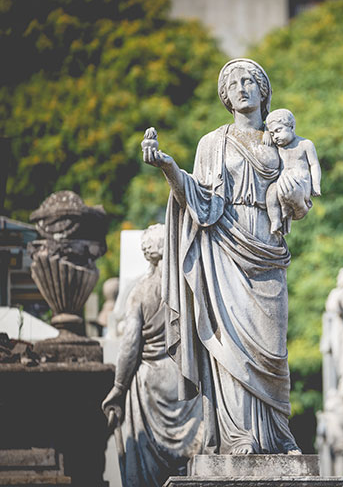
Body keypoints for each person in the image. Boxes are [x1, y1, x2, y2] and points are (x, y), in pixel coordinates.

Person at [142, 58, 301, 454]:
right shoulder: (213, 143)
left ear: (264, 92)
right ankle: (239, 435)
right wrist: (168, 168)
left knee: (273, 349)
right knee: (231, 345)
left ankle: (279, 434)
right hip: (226, 252)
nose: (242, 88)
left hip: (268, 251)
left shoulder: (280, 140)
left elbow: (301, 192)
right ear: (225, 96)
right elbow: (201, 200)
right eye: (234, 83)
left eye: (250, 81)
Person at [101, 224, 202, 487]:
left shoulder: (141, 292)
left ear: (148, 253)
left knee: (147, 472)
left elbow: (129, 347)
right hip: (186, 381)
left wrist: (119, 388)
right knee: (189, 464)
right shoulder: (189, 288)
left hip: (150, 382)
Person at [262, 108, 322, 235]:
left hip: (300, 183)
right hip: (282, 184)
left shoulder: (305, 144)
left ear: (292, 127)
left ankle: (286, 209)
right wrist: (266, 133)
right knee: (271, 192)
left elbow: (314, 164)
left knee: (286, 183)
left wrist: (315, 185)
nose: (275, 136)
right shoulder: (278, 148)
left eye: (278, 130)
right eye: (272, 133)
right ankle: (275, 220)